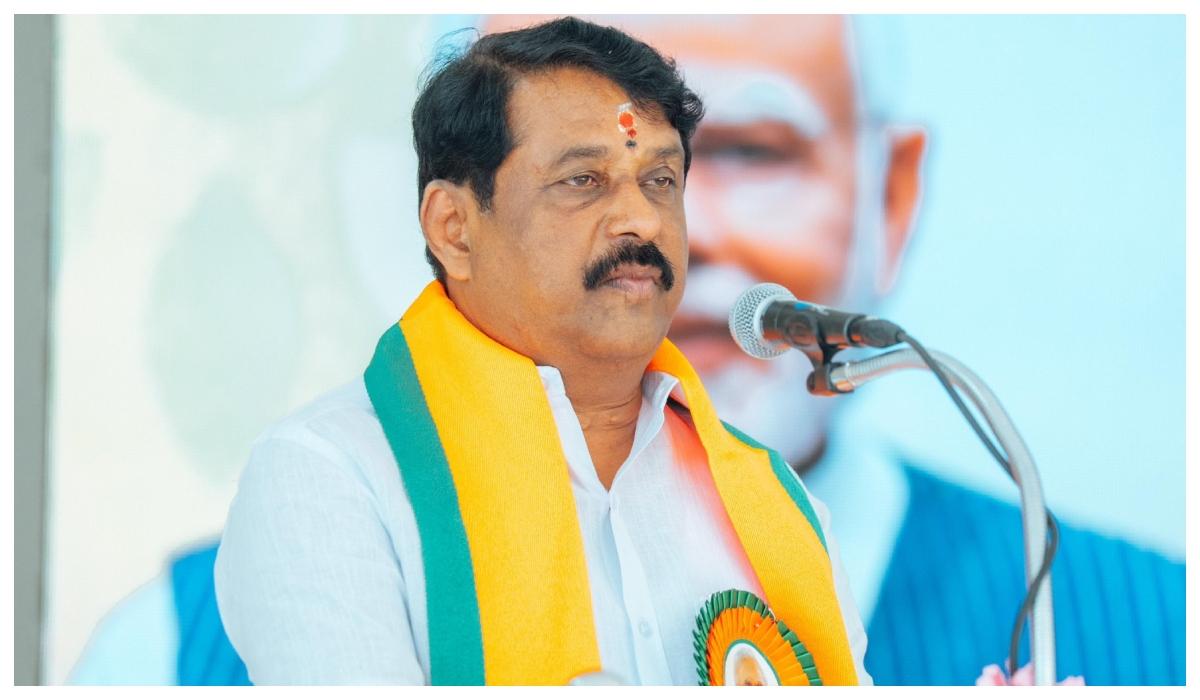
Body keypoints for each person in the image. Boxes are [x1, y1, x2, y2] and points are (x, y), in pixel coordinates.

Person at [480, 14, 1185, 686]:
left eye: (750, 151)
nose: (665, 236)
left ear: (891, 198)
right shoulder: (419, 582)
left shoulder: (1158, 634)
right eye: (576, 174)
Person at [211, 17, 869, 685]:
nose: (642, 220)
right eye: (582, 180)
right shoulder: (334, 475)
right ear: (454, 229)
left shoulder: (772, 499)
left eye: (660, 180)